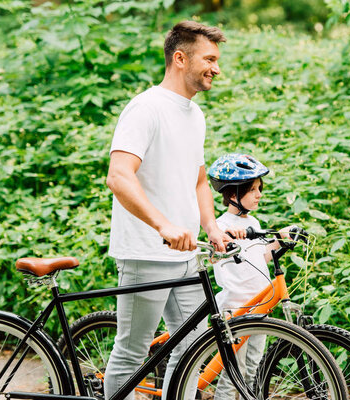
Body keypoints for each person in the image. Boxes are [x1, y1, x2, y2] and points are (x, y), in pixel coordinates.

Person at [105, 21, 236, 400]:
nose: (216, 68)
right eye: (209, 59)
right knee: (132, 352)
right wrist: (163, 225)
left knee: (193, 348)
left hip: (187, 256)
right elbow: (119, 176)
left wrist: (211, 227)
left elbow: (197, 182)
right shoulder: (146, 108)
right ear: (180, 58)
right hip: (146, 252)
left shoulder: (195, 115)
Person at [207, 153, 294, 399]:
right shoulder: (220, 225)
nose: (259, 194)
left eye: (259, 189)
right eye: (253, 189)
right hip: (236, 309)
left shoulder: (253, 221)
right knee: (233, 373)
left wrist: (279, 240)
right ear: (234, 194)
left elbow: (260, 257)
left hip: (260, 308)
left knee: (252, 370)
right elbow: (214, 256)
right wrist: (227, 238)